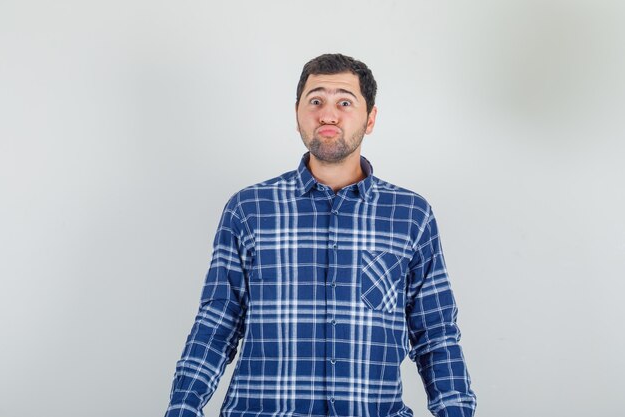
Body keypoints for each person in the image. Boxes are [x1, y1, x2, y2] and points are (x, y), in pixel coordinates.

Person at [165, 53, 477, 417]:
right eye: (316, 101)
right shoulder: (249, 210)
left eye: (345, 102)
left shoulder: (410, 215)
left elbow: (436, 334)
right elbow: (216, 324)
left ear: (370, 118)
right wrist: (182, 408)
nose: (328, 114)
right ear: (297, 114)